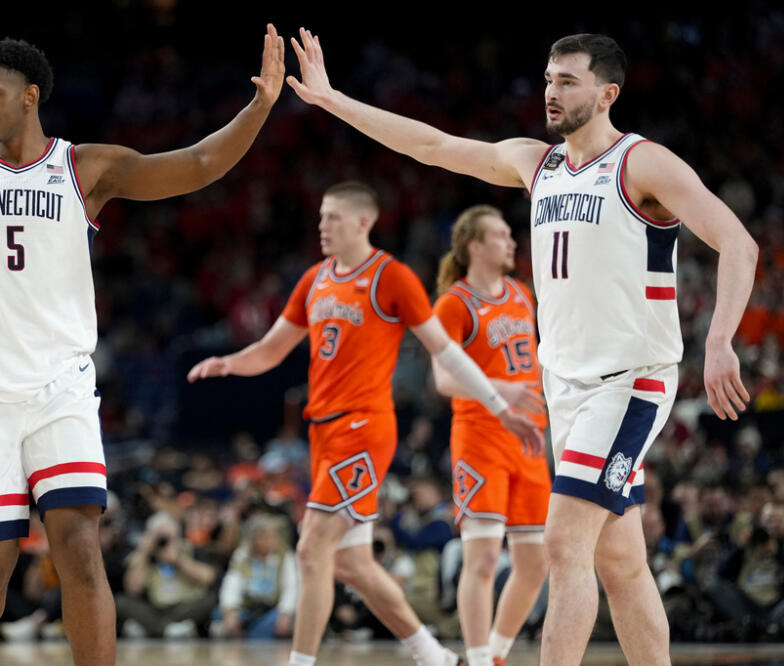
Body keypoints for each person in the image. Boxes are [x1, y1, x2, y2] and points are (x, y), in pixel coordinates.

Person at [0, 28, 286, 666]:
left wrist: (258, 107)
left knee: (80, 548)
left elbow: (199, 164)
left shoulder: (83, 167)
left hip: (60, 385)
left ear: (30, 97)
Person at [285, 29, 757, 665]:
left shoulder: (642, 163)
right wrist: (333, 99)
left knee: (563, 542)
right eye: (547, 79)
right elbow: (432, 145)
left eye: (567, 81)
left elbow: (737, 242)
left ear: (607, 92)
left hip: (629, 381)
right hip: (563, 387)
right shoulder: (535, 162)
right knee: (618, 559)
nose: (551, 92)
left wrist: (721, 338)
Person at [188, 180, 543, 666]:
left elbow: (449, 355)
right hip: (323, 431)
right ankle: (436, 656)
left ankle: (301, 663)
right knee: (352, 564)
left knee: (312, 549)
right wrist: (229, 363)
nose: (322, 226)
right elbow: (271, 350)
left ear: (363, 222)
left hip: (364, 427)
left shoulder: (391, 277)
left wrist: (501, 407)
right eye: (319, 218)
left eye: (332, 217)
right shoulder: (314, 278)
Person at [431, 205, 550, 666]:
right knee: (481, 560)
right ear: (474, 246)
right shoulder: (453, 303)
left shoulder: (522, 294)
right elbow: (443, 379)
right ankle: (478, 658)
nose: (512, 242)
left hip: (529, 440)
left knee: (535, 563)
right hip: (480, 438)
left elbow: (537, 362)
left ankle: (497, 655)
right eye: (501, 235)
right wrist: (501, 389)